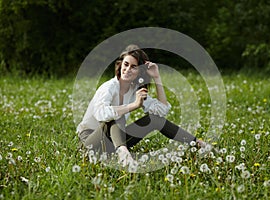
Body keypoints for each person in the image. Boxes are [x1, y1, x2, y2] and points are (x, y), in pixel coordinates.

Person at [77, 45, 207, 167]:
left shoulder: (135, 90)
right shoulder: (109, 87)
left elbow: (161, 111)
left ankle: (198, 144)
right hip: (90, 143)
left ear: (139, 73)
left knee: (154, 120)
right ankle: (123, 153)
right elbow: (101, 114)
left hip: (114, 141)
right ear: (120, 64)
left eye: (133, 67)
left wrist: (157, 78)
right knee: (117, 115)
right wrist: (133, 105)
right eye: (126, 64)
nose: (127, 70)